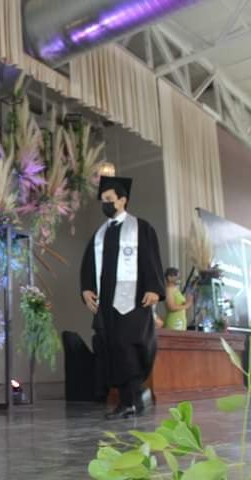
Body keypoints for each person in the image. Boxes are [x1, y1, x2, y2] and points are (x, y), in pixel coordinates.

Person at [80, 172, 165, 419]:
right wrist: (86, 289)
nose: (105, 204)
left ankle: (133, 399)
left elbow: (151, 260)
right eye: (103, 200)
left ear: (122, 200)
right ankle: (131, 400)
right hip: (106, 305)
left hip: (134, 301)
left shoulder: (141, 228)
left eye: (109, 199)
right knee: (113, 349)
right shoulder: (99, 234)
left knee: (129, 347)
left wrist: (154, 289)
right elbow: (88, 266)